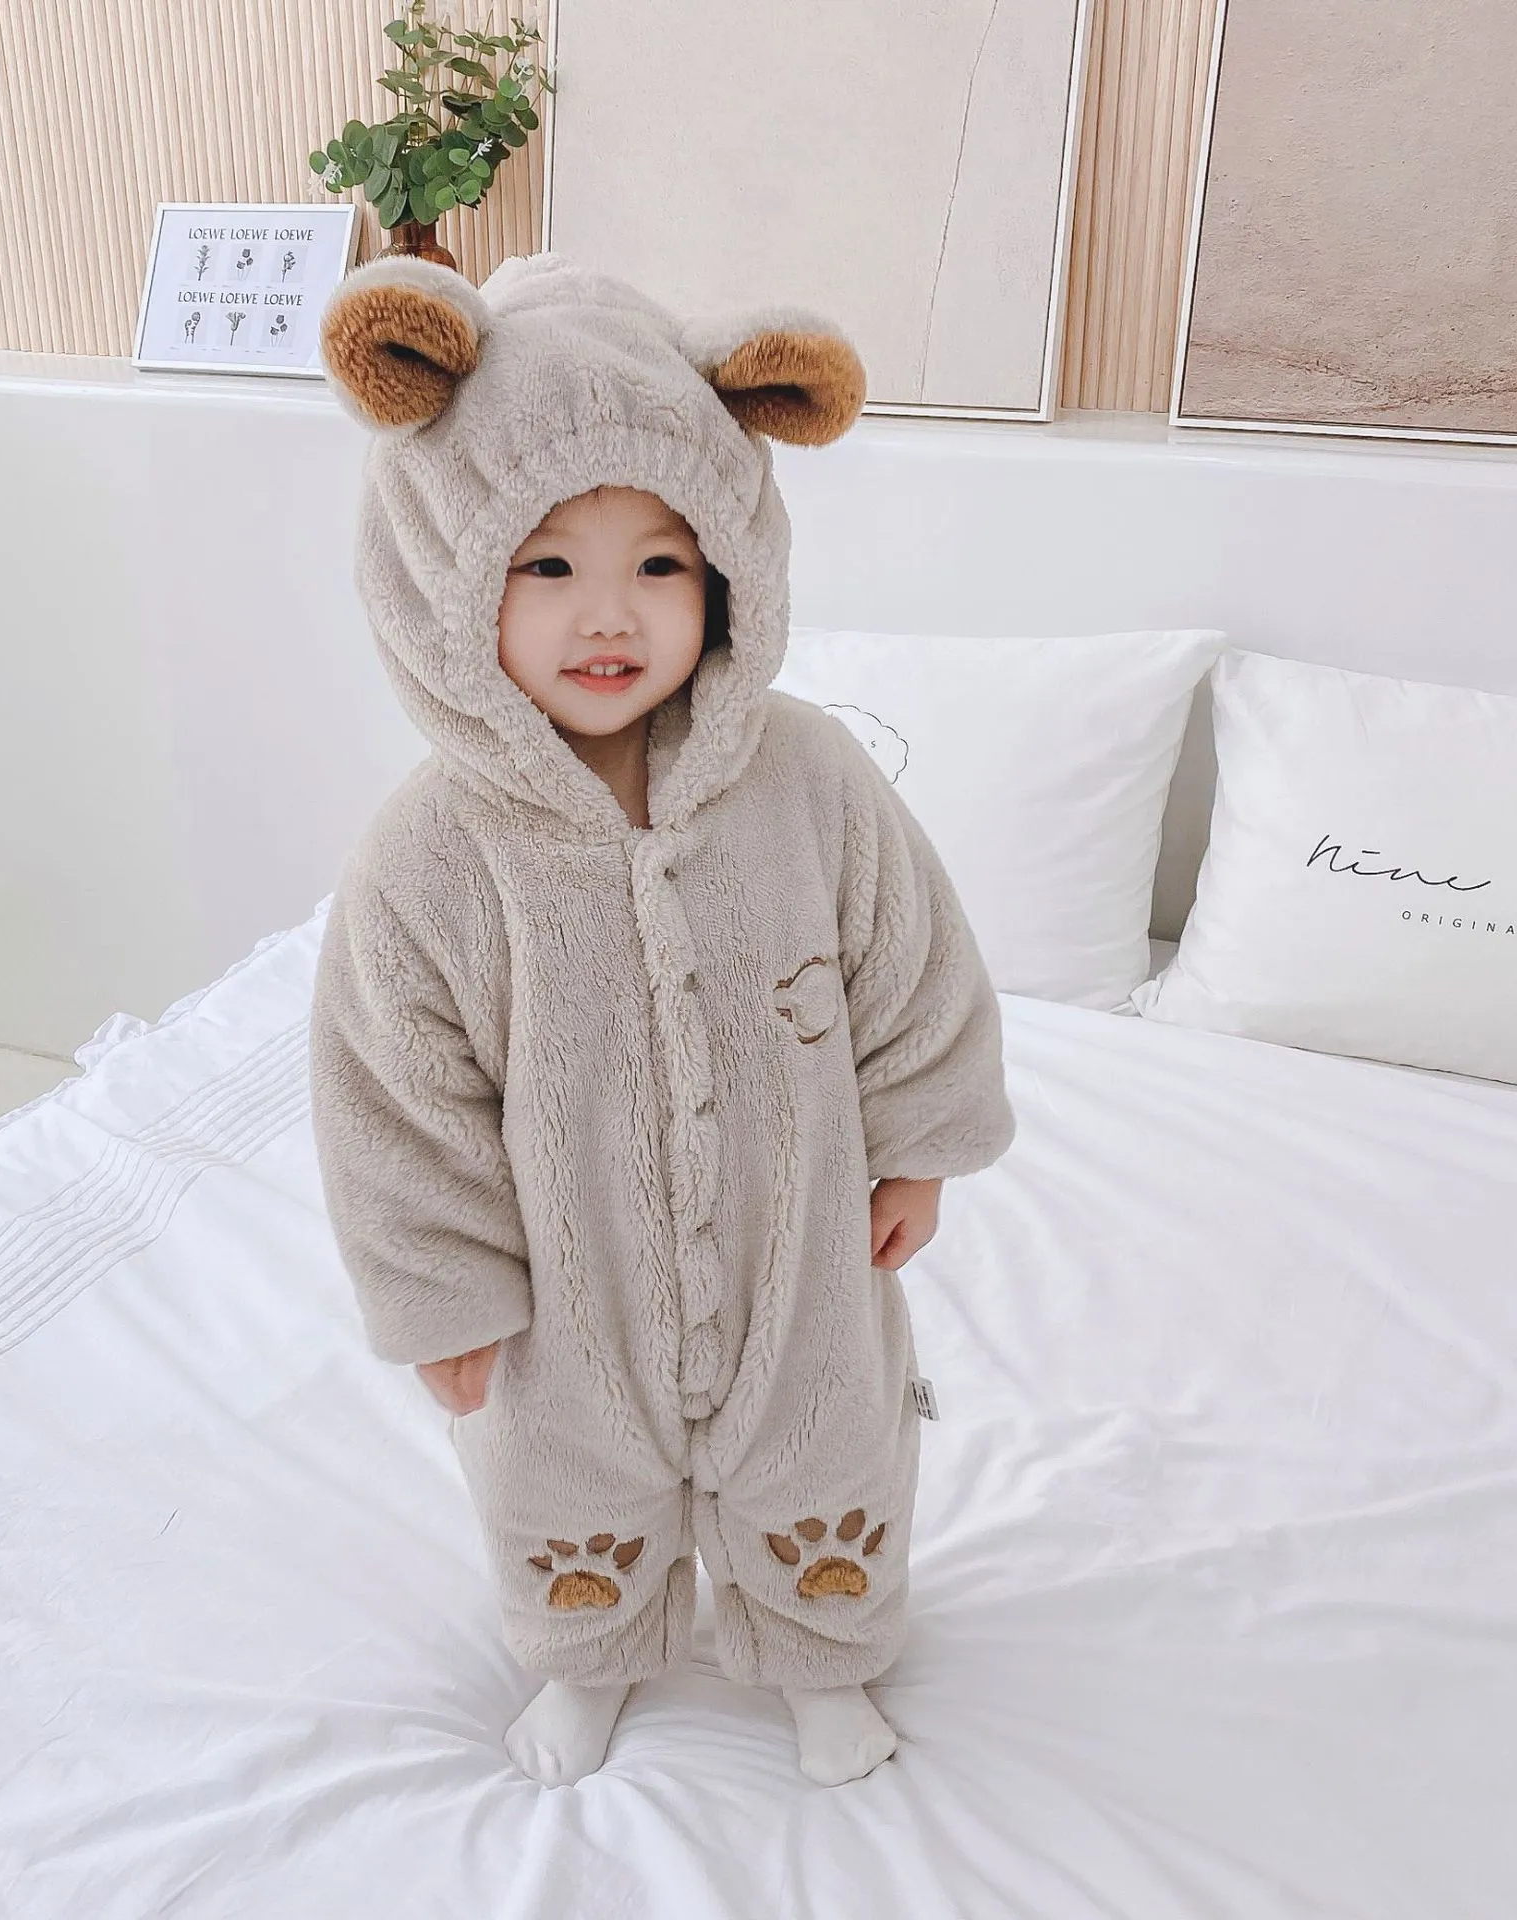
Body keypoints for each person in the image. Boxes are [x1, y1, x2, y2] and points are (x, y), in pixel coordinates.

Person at [308, 251, 1013, 1788]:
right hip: (567, 1274)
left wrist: (918, 1148)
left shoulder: (808, 777)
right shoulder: (433, 849)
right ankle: (593, 1656)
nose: (609, 615)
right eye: (547, 568)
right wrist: (442, 1293)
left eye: (662, 566)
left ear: (730, 575)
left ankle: (825, 1655)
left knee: (827, 1440)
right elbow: (392, 1094)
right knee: (559, 1470)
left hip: (797, 1240)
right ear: (445, 576)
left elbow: (912, 963)